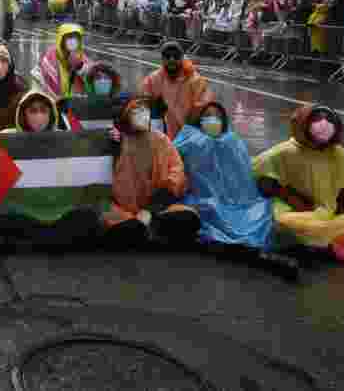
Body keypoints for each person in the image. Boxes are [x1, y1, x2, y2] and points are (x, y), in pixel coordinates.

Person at [0, 89, 107, 254]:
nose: (38, 116)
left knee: (88, 217)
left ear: (51, 114)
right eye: (33, 111)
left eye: (43, 110)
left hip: (62, 210)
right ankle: (53, 243)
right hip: (21, 211)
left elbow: (92, 160)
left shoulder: (69, 140)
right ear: (23, 114)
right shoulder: (7, 139)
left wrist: (111, 140)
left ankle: (29, 243)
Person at [174, 102, 299, 279]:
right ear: (198, 119)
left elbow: (244, 172)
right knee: (217, 218)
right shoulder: (189, 139)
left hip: (239, 199)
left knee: (254, 217)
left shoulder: (232, 140)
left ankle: (254, 253)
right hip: (204, 199)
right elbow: (175, 166)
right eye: (208, 115)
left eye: (218, 116)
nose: (213, 120)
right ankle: (258, 255)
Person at [252, 105, 344, 261]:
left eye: (328, 119)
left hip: (330, 213)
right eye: (317, 119)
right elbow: (262, 180)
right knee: (293, 225)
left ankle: (335, 245)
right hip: (298, 214)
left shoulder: (338, 152)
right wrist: (293, 199)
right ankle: (339, 245)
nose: (324, 124)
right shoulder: (285, 152)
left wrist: (341, 209)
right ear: (301, 124)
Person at [102, 98, 201, 249]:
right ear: (126, 115)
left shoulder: (161, 139)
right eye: (136, 111)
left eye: (145, 111)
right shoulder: (118, 140)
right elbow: (106, 178)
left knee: (189, 217)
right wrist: (112, 146)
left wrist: (150, 209)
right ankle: (146, 230)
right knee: (114, 223)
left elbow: (177, 173)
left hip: (158, 207)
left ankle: (147, 228)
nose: (142, 115)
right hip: (122, 209)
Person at [139, 41, 215, 140]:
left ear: (182, 58)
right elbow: (142, 101)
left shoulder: (195, 80)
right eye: (167, 56)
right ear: (162, 59)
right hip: (167, 137)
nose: (172, 60)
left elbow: (206, 107)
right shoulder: (154, 78)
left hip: (192, 136)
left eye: (176, 56)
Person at [31, 23, 91, 101]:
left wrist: (80, 67)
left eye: (76, 37)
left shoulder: (83, 60)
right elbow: (38, 82)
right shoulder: (48, 60)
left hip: (75, 109)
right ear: (61, 39)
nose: (73, 40)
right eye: (69, 36)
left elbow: (92, 81)